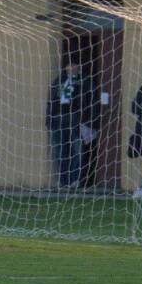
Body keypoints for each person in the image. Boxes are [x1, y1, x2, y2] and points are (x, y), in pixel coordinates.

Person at [46, 60, 92, 189]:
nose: (71, 67)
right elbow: (51, 100)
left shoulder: (84, 81)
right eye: (69, 65)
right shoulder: (59, 80)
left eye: (74, 64)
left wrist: (87, 119)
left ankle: (76, 180)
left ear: (79, 66)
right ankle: (63, 180)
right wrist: (49, 118)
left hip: (75, 118)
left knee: (77, 150)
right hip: (58, 119)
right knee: (60, 151)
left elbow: (89, 99)